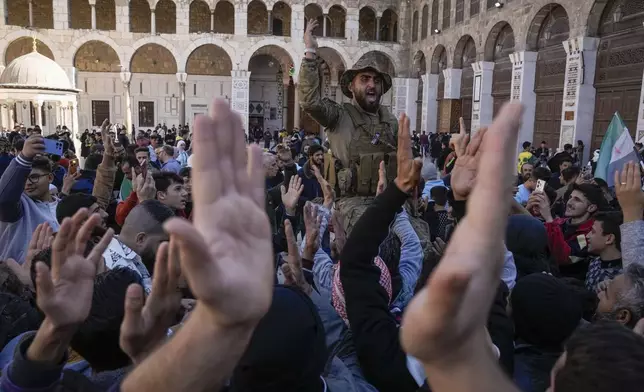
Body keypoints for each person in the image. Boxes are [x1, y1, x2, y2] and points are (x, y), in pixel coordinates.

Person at [299, 19, 397, 197]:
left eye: (376, 81)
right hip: (349, 202)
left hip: (386, 200)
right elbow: (309, 102)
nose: (372, 85)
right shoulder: (338, 116)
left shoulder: (390, 120)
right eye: (364, 79)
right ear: (351, 87)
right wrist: (311, 52)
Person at [0, 136, 60, 264]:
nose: (27, 183)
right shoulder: (19, 207)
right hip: (19, 280)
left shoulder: (63, 206)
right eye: (24, 178)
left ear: (50, 178)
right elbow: (4, 200)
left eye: (34, 177)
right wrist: (23, 158)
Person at [529, 183, 606, 280]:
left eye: (577, 200)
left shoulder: (590, 234)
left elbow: (565, 257)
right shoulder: (561, 222)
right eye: (570, 197)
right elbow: (532, 233)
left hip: (566, 284)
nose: (569, 202)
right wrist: (526, 209)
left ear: (591, 208)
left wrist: (548, 217)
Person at [585, 211, 623, 292]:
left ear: (609, 239)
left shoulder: (622, 279)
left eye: (593, 232)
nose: (587, 236)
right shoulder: (594, 262)